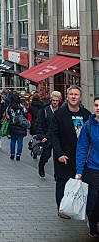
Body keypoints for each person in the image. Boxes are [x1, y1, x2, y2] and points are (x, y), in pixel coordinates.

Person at [50, 85, 90, 218]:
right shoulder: (59, 114)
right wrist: (59, 153)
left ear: (80, 97)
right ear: (67, 97)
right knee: (63, 182)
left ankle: (79, 207)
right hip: (64, 155)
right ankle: (62, 209)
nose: (73, 97)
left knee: (80, 181)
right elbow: (54, 135)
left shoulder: (86, 114)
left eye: (76, 94)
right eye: (71, 94)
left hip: (81, 156)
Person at [76, 96, 99, 237]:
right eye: (96, 105)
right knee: (94, 199)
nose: (98, 107)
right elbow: (82, 149)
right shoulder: (88, 126)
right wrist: (79, 171)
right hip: (93, 168)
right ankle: (92, 222)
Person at [36, 91, 61, 178]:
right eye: (53, 100)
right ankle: (41, 166)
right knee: (46, 155)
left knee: (58, 155)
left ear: (59, 101)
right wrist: (42, 136)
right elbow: (40, 124)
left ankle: (57, 173)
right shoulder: (45, 110)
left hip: (58, 137)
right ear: (51, 100)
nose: (54, 102)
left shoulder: (61, 111)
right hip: (47, 136)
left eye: (56, 101)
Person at [6, 95, 28, 161]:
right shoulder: (22, 107)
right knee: (20, 141)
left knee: (13, 140)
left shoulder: (9, 107)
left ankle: (12, 154)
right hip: (21, 126)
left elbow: (7, 117)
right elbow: (26, 115)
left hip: (12, 126)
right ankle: (18, 154)